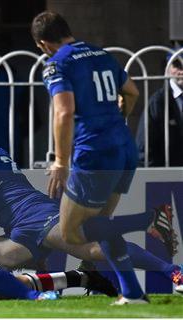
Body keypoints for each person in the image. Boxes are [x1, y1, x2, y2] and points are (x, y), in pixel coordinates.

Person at [0, 101, 180, 304]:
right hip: (21, 231)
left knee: (93, 249)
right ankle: (38, 296)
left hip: (38, 217)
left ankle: (171, 270)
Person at [30, 11, 162, 304]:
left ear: (43, 44)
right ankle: (132, 293)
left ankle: (145, 219)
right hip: (124, 147)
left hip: (94, 153)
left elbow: (64, 112)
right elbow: (132, 92)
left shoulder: (57, 64)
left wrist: (61, 162)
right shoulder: (101, 54)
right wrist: (119, 117)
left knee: (71, 232)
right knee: (102, 224)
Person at [137, 55, 183, 167]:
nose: (182, 70)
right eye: (177, 65)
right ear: (167, 69)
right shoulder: (158, 102)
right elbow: (145, 148)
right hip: (169, 177)